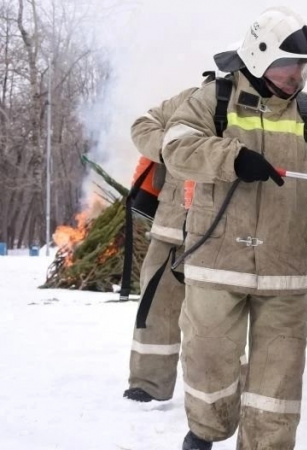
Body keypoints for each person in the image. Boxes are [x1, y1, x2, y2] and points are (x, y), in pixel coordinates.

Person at [161, 7, 307, 450]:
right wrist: (231, 158)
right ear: (259, 57)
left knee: (277, 383)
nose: (297, 74)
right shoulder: (212, 98)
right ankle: (204, 433)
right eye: (287, 63)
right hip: (217, 265)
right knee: (209, 363)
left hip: (284, 269)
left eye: (302, 65)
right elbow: (176, 147)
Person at [123, 84, 202, 403]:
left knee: (219, 318)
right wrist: (173, 148)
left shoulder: (258, 107)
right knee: (154, 311)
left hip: (224, 238)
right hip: (171, 228)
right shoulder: (191, 98)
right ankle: (148, 382)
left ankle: (222, 388)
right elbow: (143, 125)